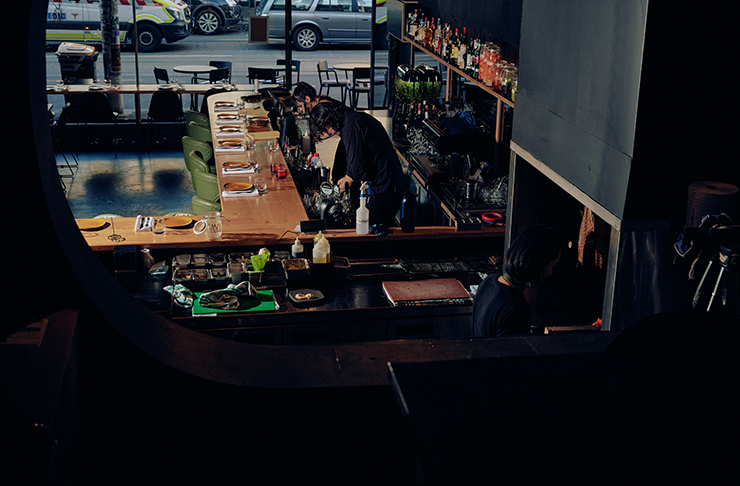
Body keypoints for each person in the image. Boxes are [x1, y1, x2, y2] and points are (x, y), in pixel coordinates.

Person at [309, 101, 404, 227]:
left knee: (377, 233)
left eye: (322, 130)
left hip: (385, 190)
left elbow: (354, 173)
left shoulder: (351, 126)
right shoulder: (353, 119)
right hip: (389, 185)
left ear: (327, 123)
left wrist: (333, 194)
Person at [473, 224, 561, 337]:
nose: (550, 273)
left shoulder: (488, 282)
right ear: (538, 263)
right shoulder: (515, 308)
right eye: (552, 266)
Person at [291, 82, 348, 184]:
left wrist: (311, 137)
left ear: (307, 99)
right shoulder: (320, 100)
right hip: (345, 134)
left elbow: (329, 130)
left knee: (340, 171)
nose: (300, 110)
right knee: (338, 170)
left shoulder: (322, 105)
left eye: (300, 106)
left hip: (348, 134)